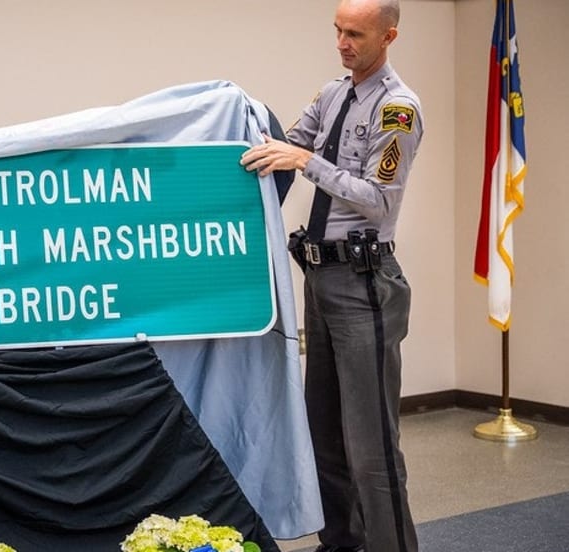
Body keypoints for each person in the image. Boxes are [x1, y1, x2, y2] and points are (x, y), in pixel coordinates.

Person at [241, 1, 422, 551]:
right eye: (338, 31)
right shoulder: (332, 94)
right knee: (324, 432)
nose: (343, 43)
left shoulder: (398, 110)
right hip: (320, 279)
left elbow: (377, 198)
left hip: (365, 284)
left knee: (372, 448)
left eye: (356, 34)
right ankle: (341, 543)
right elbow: (283, 143)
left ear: (388, 36)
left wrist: (305, 163)